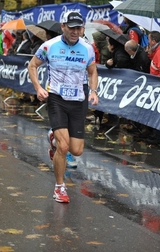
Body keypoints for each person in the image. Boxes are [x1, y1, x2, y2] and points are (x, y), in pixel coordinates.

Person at [28, 11, 99, 203]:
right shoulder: (49, 46)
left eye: (79, 28)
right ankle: (59, 187)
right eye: (72, 27)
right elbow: (32, 65)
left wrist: (93, 91)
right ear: (63, 27)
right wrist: (38, 88)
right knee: (64, 146)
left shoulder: (87, 48)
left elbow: (92, 72)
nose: (75, 31)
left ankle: (52, 137)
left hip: (78, 100)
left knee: (76, 151)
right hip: (56, 98)